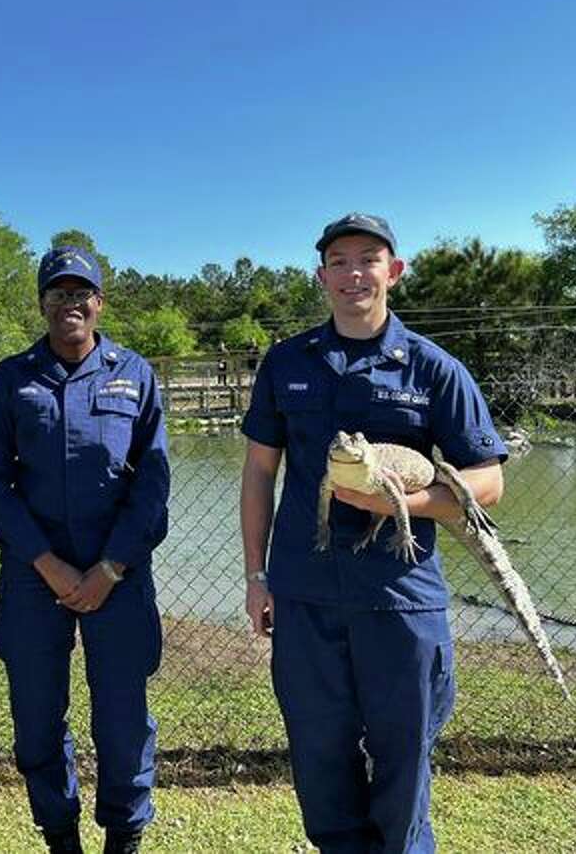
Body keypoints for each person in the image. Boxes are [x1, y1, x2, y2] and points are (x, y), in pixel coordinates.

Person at [240, 213, 507, 853]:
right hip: (305, 600)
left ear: (394, 271)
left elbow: (488, 481)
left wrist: (400, 503)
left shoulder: (433, 369)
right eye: (339, 260)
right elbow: (257, 473)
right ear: (322, 275)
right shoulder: (287, 363)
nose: (353, 272)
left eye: (368, 258)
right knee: (320, 764)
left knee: (402, 766)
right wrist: (256, 577)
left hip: (400, 599)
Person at [0, 246, 170, 854]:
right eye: (58, 293)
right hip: (35, 575)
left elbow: (153, 485)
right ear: (42, 304)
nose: (70, 304)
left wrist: (111, 567)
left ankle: (124, 833)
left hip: (120, 573)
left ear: (99, 302)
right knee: (36, 717)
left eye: (81, 292)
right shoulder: (12, 378)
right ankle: (59, 835)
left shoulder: (134, 374)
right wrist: (47, 562)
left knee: (121, 716)